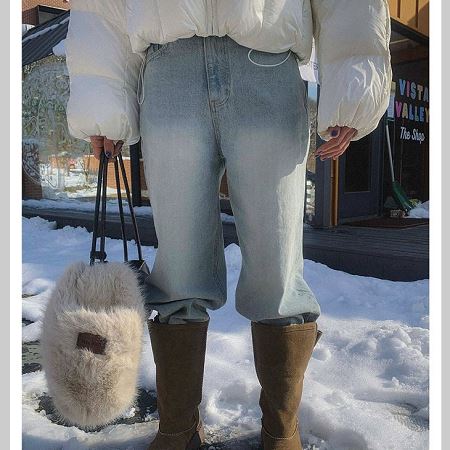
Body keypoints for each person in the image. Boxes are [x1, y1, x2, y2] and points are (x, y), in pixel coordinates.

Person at [65, 1, 392, 449]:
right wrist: (103, 100)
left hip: (267, 67)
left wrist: (351, 91)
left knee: (278, 269)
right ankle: (178, 428)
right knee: (178, 270)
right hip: (168, 71)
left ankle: (281, 430)